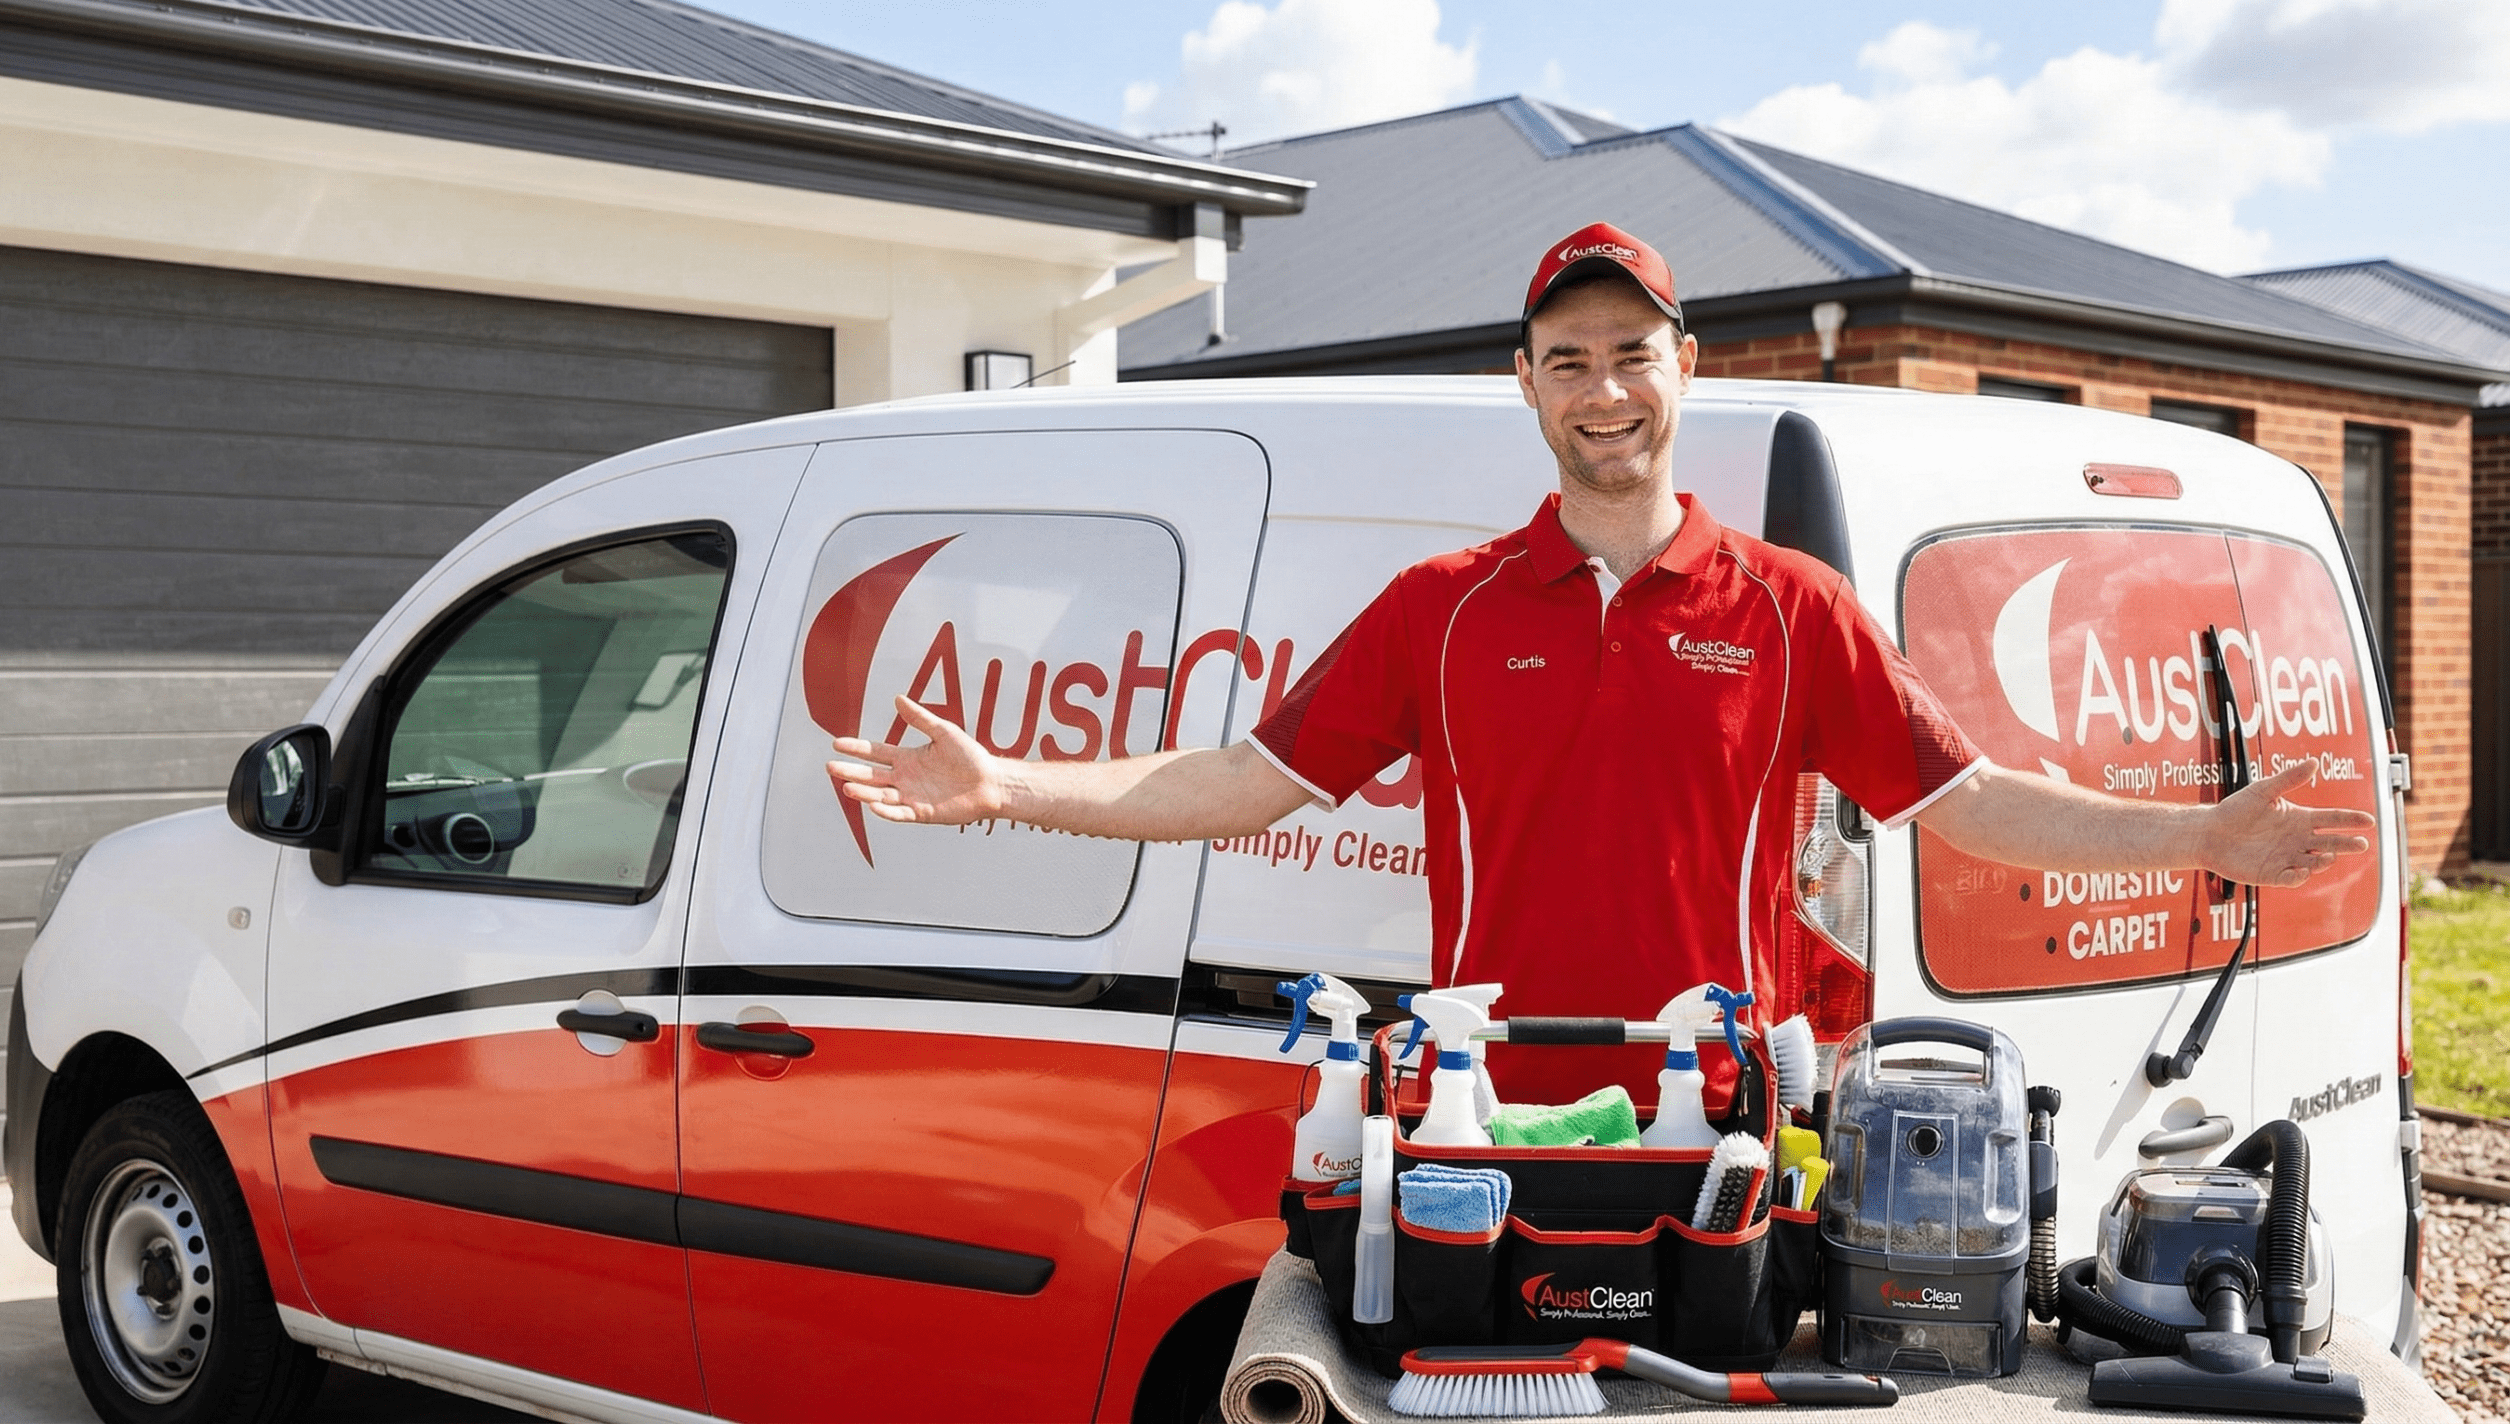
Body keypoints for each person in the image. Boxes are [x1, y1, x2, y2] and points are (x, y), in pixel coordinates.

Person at [827, 221, 2375, 1103]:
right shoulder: (1445, 606)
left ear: (1684, 367)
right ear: (1528, 387)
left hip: (1728, 1109)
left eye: (1633, 353)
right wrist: (1002, 785)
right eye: (1569, 360)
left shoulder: (1788, 607)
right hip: (1497, 1102)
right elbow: (1241, 780)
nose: (1605, 388)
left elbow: (1966, 803)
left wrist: (2199, 835)